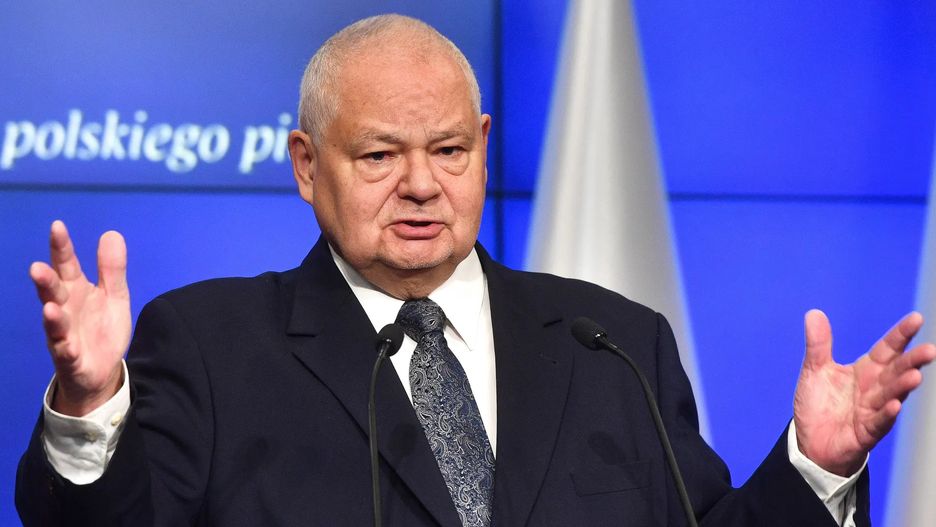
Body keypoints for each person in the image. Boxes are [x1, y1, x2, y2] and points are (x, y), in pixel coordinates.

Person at [16, 14, 935, 527]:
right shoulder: (215, 345)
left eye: (450, 150)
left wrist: (815, 465)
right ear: (306, 165)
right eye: (380, 155)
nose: (422, 185)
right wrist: (90, 407)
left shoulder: (614, 344)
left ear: (484, 146)